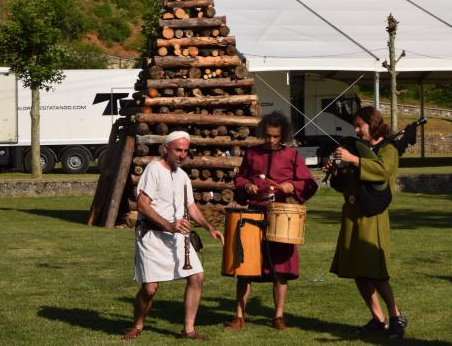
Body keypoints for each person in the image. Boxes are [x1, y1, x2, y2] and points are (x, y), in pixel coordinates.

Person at [122, 131, 225, 341]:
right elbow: (142, 205)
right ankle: (137, 325)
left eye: (185, 151)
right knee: (150, 288)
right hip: (151, 235)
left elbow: (191, 206)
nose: (182, 155)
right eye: (178, 150)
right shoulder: (153, 170)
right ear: (165, 149)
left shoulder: (183, 176)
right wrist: (169, 225)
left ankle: (188, 330)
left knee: (197, 276)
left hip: (178, 236)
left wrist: (208, 227)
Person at [227, 111, 317, 331]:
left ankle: (278, 316)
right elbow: (240, 178)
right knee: (245, 267)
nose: (271, 140)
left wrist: (292, 187)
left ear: (282, 135)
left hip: (281, 215)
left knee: (281, 269)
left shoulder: (292, 156)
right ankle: (239, 316)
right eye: (267, 136)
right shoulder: (252, 154)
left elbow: (309, 182)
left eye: (276, 136)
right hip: (254, 214)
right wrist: (246, 186)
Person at [326, 106, 407, 340]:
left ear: (372, 123)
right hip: (352, 215)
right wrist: (336, 171)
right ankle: (378, 319)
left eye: (360, 125)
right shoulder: (361, 149)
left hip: (373, 216)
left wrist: (353, 159)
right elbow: (347, 184)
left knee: (376, 272)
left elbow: (382, 171)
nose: (356, 130)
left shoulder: (387, 148)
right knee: (357, 270)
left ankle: (396, 317)